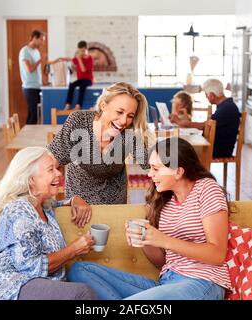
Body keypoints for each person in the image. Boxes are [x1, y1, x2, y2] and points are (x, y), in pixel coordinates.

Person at [67, 137, 231, 300]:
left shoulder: (206, 189)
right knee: (80, 270)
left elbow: (217, 254)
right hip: (166, 283)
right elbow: (162, 262)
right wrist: (146, 240)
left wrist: (163, 240)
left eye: (156, 169)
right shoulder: (165, 202)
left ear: (178, 171)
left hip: (202, 283)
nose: (150, 174)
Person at [0, 147, 97, 300]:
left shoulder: (43, 205)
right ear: (31, 180)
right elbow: (32, 267)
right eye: (51, 170)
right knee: (82, 293)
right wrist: (74, 249)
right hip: (6, 286)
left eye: (57, 168)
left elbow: (58, 204)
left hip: (28, 284)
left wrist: (74, 199)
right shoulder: (19, 211)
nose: (59, 173)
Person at [47, 82, 150, 205]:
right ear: (103, 105)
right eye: (119, 112)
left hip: (114, 205)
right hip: (78, 206)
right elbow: (51, 161)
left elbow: (149, 163)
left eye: (130, 116)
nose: (123, 121)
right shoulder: (78, 122)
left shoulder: (129, 132)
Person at [170, 79, 241, 158]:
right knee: (181, 148)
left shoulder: (227, 108)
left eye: (206, 94)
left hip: (219, 150)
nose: (206, 96)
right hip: (215, 146)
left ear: (211, 95)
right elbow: (207, 124)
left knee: (180, 150)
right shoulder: (226, 106)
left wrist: (182, 122)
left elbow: (204, 125)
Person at [19, 30, 60, 124]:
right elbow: (29, 69)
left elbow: (37, 70)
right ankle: (28, 137)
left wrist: (44, 82)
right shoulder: (25, 51)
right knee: (33, 114)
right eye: (41, 40)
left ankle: (29, 136)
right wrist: (40, 60)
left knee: (36, 114)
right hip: (29, 87)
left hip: (38, 86)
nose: (43, 42)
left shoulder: (36, 51)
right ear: (34, 38)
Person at [60, 40, 94, 110]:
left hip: (88, 80)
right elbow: (71, 59)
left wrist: (79, 59)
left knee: (82, 86)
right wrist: (62, 59)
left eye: (83, 51)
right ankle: (68, 104)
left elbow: (83, 70)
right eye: (79, 51)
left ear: (86, 50)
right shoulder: (79, 58)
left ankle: (78, 105)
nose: (81, 53)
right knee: (71, 85)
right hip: (80, 79)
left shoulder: (89, 59)